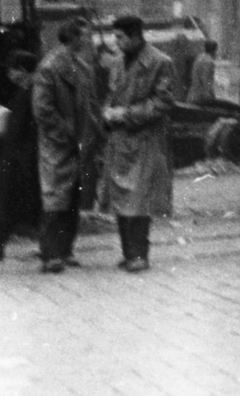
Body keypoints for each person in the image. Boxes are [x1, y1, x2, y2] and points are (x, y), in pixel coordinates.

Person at [101, 14, 176, 273]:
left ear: (135, 36)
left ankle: (139, 254)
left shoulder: (160, 62)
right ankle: (128, 253)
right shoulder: (118, 62)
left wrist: (125, 114)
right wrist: (107, 113)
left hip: (145, 140)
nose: (116, 42)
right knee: (122, 198)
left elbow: (163, 103)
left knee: (139, 199)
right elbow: (111, 96)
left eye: (120, 37)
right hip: (120, 141)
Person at [32, 18, 104, 272]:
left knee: (73, 198)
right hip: (58, 146)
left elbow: (91, 106)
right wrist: (65, 133)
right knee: (55, 199)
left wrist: (97, 133)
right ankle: (50, 253)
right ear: (72, 38)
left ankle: (66, 249)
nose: (88, 40)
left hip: (80, 145)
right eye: (85, 36)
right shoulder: (49, 67)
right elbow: (42, 110)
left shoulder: (82, 67)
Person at [0, 51, 43, 263]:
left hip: (21, 157)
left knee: (7, 204)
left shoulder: (32, 91)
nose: (10, 75)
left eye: (12, 70)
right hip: (20, 156)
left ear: (23, 70)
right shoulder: (27, 90)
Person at [187, 39, 218, 104]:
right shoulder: (209, 61)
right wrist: (210, 97)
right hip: (201, 97)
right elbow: (206, 80)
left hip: (193, 94)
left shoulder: (199, 57)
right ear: (214, 50)